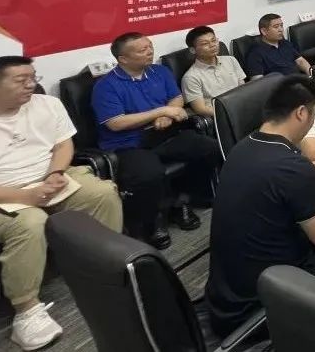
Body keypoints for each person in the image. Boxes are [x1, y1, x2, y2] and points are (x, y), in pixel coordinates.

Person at [206, 75, 315, 337]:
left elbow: (275, 179)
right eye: (314, 115)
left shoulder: (243, 148)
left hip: (227, 297)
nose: (312, 121)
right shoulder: (292, 166)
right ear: (301, 113)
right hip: (269, 302)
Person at [0, 56, 122, 351]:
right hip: (6, 194)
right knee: (30, 222)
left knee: (101, 193)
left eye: (33, 77)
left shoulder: (47, 104)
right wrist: (26, 197)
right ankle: (26, 311)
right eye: (21, 80)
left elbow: (64, 145)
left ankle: (104, 266)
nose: (31, 85)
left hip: (51, 179)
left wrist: (55, 174)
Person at [92, 32, 220, 249]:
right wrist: (161, 111)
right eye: (142, 50)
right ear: (123, 59)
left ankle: (183, 200)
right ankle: (152, 221)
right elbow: (116, 123)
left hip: (165, 134)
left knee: (209, 148)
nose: (150, 51)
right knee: (149, 174)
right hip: (130, 143)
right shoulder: (106, 86)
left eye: (150, 46)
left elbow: (176, 98)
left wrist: (166, 115)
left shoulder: (159, 71)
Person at [181, 25, 245, 118]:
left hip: (243, 108)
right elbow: (200, 109)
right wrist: (231, 113)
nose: (212, 45)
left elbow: (243, 88)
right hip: (221, 117)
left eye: (214, 40)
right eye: (205, 43)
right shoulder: (190, 77)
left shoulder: (231, 60)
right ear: (193, 50)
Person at [245, 14, 311, 79]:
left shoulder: (285, 43)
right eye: (276, 27)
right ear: (264, 31)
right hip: (281, 84)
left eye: (281, 26)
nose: (281, 29)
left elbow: (300, 61)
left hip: (299, 80)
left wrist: (312, 75)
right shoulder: (255, 53)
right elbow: (257, 80)